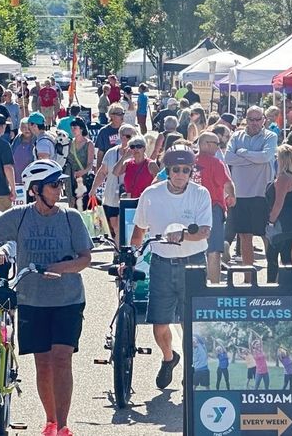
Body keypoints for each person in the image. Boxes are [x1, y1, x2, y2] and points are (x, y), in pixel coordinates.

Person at [0, 159, 93, 436]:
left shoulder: (70, 217)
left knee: (62, 358)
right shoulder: (20, 216)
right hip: (32, 299)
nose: (59, 189)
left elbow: (85, 258)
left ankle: (63, 426)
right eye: (53, 184)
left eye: (60, 183)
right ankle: (50, 421)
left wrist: (58, 268)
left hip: (68, 299)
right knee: (43, 362)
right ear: (36, 190)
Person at [130, 144, 213, 389]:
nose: (180, 174)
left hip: (193, 264)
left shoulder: (200, 194)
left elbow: (205, 231)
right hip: (162, 264)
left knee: (191, 322)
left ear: (191, 171)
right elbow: (138, 231)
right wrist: (130, 257)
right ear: (167, 170)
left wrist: (183, 234)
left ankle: (191, 366)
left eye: (185, 170)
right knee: (160, 323)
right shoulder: (151, 194)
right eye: (175, 169)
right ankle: (169, 358)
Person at [225, 107, 279, 282]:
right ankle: (249, 279)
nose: (254, 123)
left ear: (264, 119)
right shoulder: (236, 136)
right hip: (240, 195)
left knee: (266, 236)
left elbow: (266, 157)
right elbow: (228, 158)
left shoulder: (270, 136)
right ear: (245, 120)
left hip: (262, 194)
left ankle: (272, 278)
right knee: (244, 237)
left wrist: (243, 154)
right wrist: (253, 158)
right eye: (251, 119)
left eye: (258, 119)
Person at [194, 131, 234, 284]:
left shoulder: (189, 162)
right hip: (212, 208)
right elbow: (227, 184)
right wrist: (232, 197)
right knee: (213, 251)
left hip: (191, 209)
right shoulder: (215, 163)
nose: (218, 148)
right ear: (205, 144)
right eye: (216, 144)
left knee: (194, 249)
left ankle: (196, 287)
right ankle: (214, 288)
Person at [91, 123, 138, 244]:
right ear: (120, 137)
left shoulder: (138, 153)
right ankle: (119, 248)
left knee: (123, 225)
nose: (131, 139)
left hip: (130, 196)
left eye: (134, 136)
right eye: (128, 136)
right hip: (112, 195)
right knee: (115, 226)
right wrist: (93, 189)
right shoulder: (111, 153)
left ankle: (119, 253)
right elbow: (102, 172)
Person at [266, 144, 292, 285]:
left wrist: (270, 221)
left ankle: (271, 288)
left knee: (272, 256)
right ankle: (289, 288)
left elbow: (278, 203)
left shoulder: (283, 178)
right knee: (286, 256)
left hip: (281, 221)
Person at [115, 135, 160, 199]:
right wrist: (124, 157)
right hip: (129, 202)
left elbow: (160, 183)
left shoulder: (151, 164)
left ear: (144, 148)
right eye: (132, 147)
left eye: (139, 146)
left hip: (146, 201)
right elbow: (115, 173)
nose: (135, 149)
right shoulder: (127, 164)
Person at [67, 119, 95, 209]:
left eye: (75, 128)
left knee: (83, 205)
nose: (73, 130)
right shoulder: (70, 142)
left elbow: (90, 163)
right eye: (71, 128)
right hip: (71, 178)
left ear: (81, 129)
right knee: (73, 204)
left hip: (83, 180)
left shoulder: (88, 144)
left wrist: (83, 172)